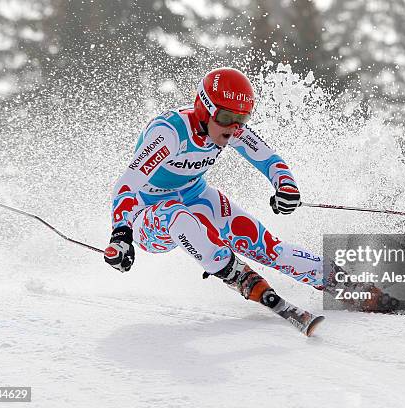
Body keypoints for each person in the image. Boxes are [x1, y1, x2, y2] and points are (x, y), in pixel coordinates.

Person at [103, 67, 326, 309]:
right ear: (204, 109)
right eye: (226, 118)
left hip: (197, 198)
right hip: (147, 215)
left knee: (269, 249)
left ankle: (342, 280)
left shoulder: (231, 127)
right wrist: (121, 234)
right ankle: (231, 271)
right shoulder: (169, 133)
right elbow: (126, 185)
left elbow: (269, 160)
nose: (232, 128)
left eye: (242, 119)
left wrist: (286, 186)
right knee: (176, 214)